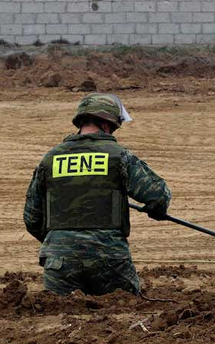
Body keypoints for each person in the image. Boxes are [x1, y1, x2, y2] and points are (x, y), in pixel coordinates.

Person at [24, 92, 171, 295]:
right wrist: (155, 210)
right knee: (124, 312)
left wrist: (63, 242)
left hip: (59, 261)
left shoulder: (50, 158)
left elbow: (32, 218)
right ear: (106, 124)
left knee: (57, 319)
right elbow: (158, 196)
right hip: (109, 258)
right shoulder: (118, 155)